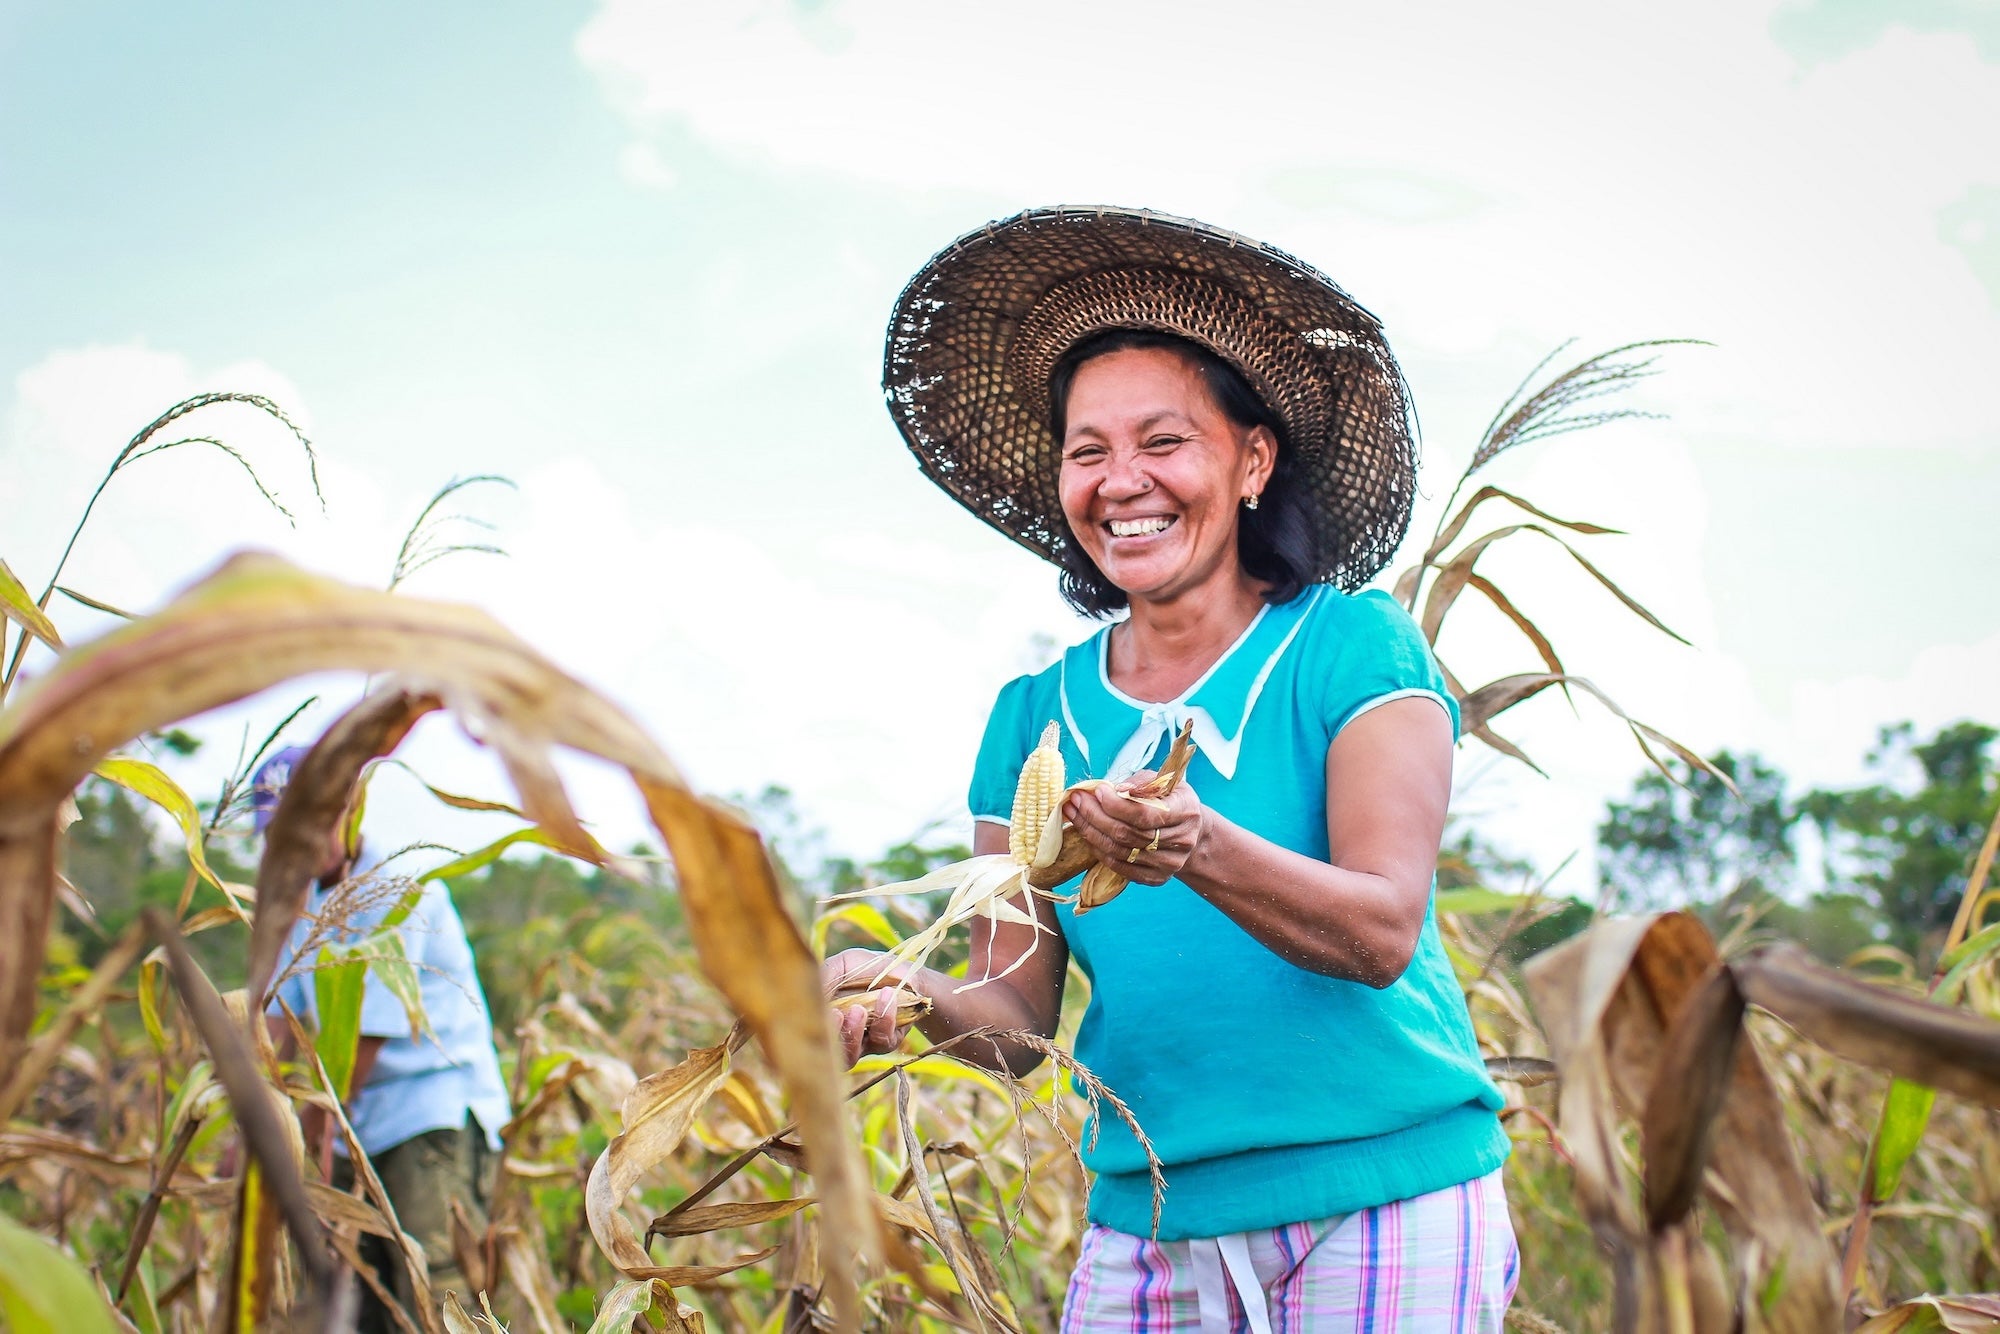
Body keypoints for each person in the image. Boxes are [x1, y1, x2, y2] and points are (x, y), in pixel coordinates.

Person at [827, 208, 1517, 1331]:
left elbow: (1381, 929)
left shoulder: (1350, 648)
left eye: (1162, 441)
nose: (1120, 480)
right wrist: (909, 994)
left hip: (1386, 1196)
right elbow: (1013, 1020)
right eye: (1085, 450)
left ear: (1251, 460)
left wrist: (1193, 844)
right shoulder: (1031, 721)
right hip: (1149, 1221)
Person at [252, 746, 512, 1329]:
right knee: (356, 1292)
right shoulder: (299, 906)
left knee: (435, 1286)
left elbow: (358, 1044)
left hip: (427, 1116)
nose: (296, 845)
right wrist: (251, 1120)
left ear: (347, 810)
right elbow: (274, 1026)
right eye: (281, 834)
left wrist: (307, 1136)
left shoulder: (395, 888)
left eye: (307, 825)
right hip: (355, 1123)